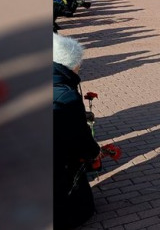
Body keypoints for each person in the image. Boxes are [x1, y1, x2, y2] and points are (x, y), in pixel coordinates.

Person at [53, 34, 100, 229]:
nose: (79, 67)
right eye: (78, 63)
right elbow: (80, 139)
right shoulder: (67, 96)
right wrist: (94, 152)